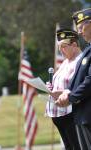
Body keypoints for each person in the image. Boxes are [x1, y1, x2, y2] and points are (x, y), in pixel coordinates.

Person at [54, 8, 91, 149]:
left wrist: (71, 97)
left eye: (81, 27)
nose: (80, 32)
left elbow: (90, 81)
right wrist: (67, 91)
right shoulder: (88, 50)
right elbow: (79, 79)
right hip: (82, 115)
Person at [45, 28, 82, 150]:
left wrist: (60, 92)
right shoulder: (66, 62)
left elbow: (80, 86)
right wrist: (50, 87)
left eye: (64, 46)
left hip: (71, 114)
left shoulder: (80, 61)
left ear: (74, 44)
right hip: (59, 115)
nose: (61, 50)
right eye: (59, 47)